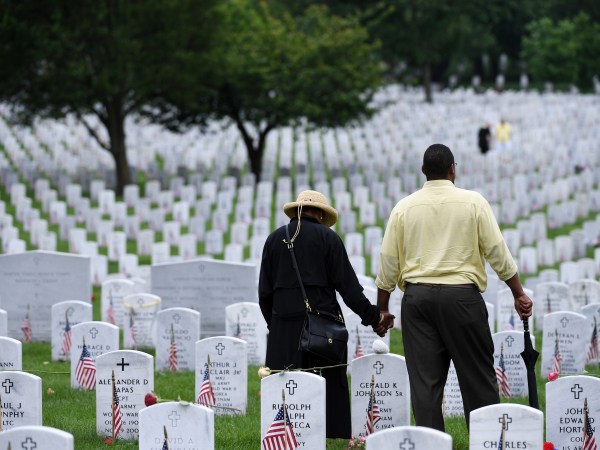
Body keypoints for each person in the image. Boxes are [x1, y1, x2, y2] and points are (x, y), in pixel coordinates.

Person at [375, 144, 532, 431]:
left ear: (423, 171)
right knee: (477, 379)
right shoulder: (473, 202)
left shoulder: (403, 208)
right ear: (452, 170)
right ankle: (485, 441)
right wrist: (518, 292)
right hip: (462, 299)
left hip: (418, 299)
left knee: (425, 384)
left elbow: (388, 261)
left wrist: (383, 308)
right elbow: (497, 251)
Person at [259, 190, 395, 439]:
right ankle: (333, 435)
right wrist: (375, 317)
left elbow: (264, 294)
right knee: (330, 386)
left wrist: (277, 327)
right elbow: (349, 289)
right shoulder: (327, 238)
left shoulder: (273, 239)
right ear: (320, 214)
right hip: (322, 331)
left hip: (283, 330)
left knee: (287, 393)